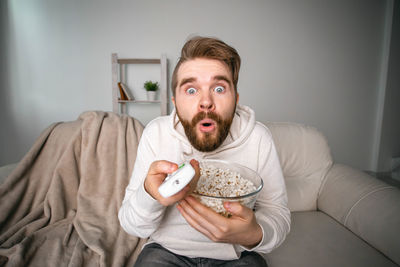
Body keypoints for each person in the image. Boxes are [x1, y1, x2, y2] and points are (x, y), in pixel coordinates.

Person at [118, 36, 290, 266]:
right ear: (175, 103)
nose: (206, 102)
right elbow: (131, 225)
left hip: (237, 256)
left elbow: (277, 213)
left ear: (236, 100)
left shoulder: (259, 138)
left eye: (219, 88)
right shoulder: (156, 134)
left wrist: (253, 234)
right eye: (191, 90)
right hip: (165, 252)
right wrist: (150, 194)